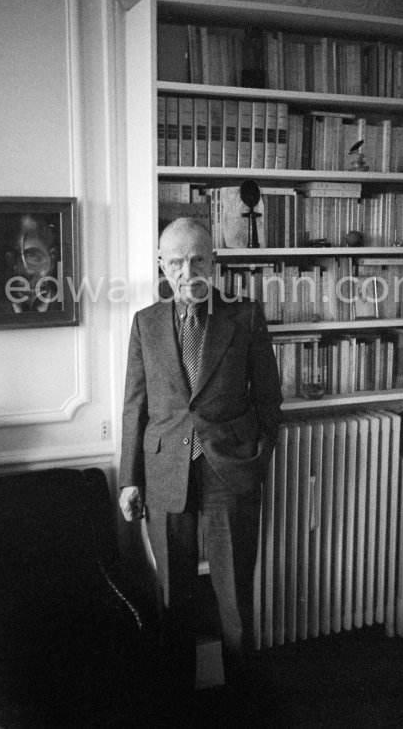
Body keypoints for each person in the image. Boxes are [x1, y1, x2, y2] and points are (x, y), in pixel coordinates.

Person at [118, 217, 282, 707]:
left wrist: (256, 462)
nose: (187, 270)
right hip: (165, 477)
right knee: (176, 604)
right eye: (176, 261)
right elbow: (135, 406)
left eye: (198, 259)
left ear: (214, 263)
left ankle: (242, 707)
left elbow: (269, 400)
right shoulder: (145, 323)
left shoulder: (246, 316)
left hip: (228, 476)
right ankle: (177, 707)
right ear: (162, 267)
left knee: (234, 603)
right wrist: (129, 479)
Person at [0, 214, 61, 313]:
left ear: (52, 257)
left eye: (33, 256)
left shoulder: (71, 308)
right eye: (14, 257)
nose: (25, 271)